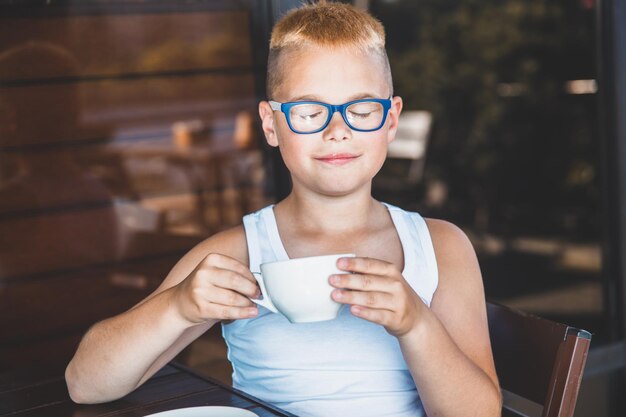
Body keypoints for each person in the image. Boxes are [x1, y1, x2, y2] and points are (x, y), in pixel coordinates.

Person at [65, 2, 502, 416]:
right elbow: (86, 384)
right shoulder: (237, 252)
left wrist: (415, 324)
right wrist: (176, 306)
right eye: (309, 112)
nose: (337, 130)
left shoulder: (440, 247)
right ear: (272, 125)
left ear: (390, 119)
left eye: (362, 108)